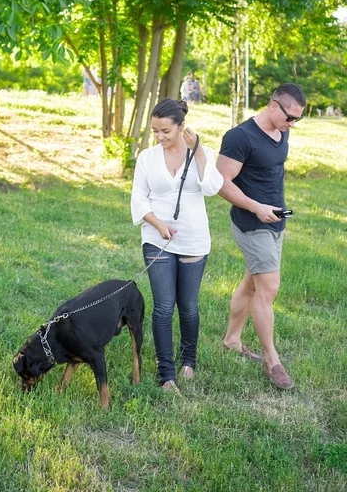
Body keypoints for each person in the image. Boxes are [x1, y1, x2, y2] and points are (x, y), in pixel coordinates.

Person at [216, 83, 306, 390]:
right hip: (251, 223)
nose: (292, 124)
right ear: (273, 106)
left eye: (297, 120)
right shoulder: (240, 137)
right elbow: (221, 182)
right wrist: (256, 207)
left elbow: (270, 172)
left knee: (253, 284)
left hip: (275, 220)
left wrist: (274, 210)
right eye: (290, 117)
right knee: (269, 287)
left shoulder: (283, 131)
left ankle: (231, 339)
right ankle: (272, 361)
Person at [131, 99, 223, 393]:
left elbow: (211, 188)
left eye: (165, 131)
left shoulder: (202, 153)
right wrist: (158, 224)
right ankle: (166, 372)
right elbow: (138, 198)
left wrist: (198, 153)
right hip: (157, 237)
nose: (159, 137)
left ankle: (189, 360)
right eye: (155, 131)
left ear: (182, 126)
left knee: (188, 307)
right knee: (163, 307)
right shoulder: (147, 158)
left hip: (194, 238)